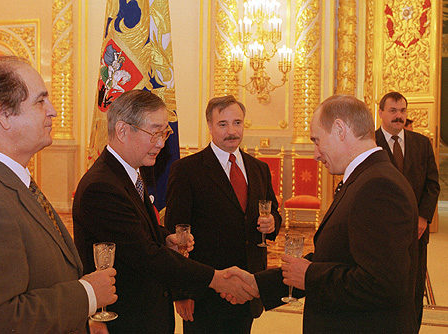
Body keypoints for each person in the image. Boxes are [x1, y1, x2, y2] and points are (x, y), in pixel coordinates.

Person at [0, 56, 117, 333]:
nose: (52, 111)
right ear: (3, 114)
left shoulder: (4, 178)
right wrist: (87, 294)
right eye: (40, 101)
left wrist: (82, 320)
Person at [227, 95, 419, 333]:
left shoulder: (378, 186)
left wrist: (309, 275)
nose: (316, 154)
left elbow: (383, 284)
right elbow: (336, 258)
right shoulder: (365, 178)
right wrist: (258, 284)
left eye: (317, 141)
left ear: (340, 129)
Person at [72, 89, 258, 333]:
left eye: (165, 132)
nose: (161, 143)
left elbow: (133, 231)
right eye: (155, 133)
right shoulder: (102, 186)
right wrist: (216, 279)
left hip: (146, 314)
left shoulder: (130, 173)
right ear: (122, 130)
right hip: (127, 320)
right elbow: (145, 256)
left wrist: (164, 238)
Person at [165, 95, 282, 333]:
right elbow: (176, 235)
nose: (232, 131)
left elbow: (274, 214)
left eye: (237, 123)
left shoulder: (259, 169)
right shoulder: (187, 170)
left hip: (249, 285)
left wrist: (272, 223)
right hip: (206, 290)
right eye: (223, 124)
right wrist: (182, 292)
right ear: (209, 126)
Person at [375, 91, 440, 331]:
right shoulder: (369, 144)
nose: (398, 116)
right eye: (393, 111)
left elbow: (432, 184)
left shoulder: (421, 144)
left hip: (416, 232)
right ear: (381, 112)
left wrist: (424, 217)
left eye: (402, 111)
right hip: (381, 233)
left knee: (413, 287)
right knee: (385, 286)